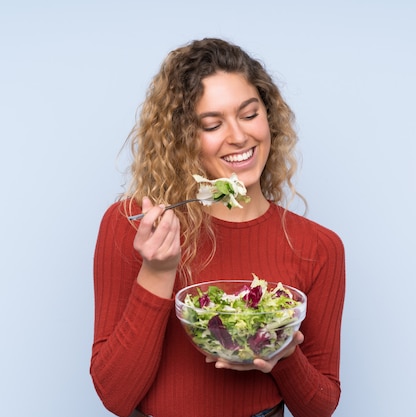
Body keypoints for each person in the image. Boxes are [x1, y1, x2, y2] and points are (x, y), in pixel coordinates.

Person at [90, 38, 345, 417]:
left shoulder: (318, 246)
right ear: (183, 139)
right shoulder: (133, 225)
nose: (239, 136)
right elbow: (115, 396)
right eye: (212, 124)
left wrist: (284, 352)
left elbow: (320, 406)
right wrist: (158, 271)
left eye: (249, 114)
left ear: (269, 117)